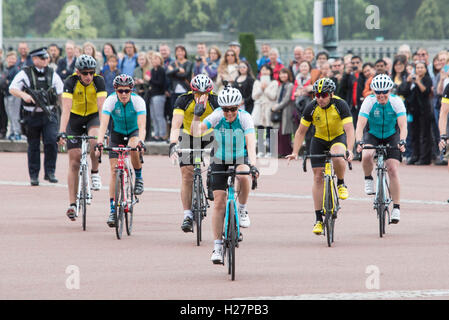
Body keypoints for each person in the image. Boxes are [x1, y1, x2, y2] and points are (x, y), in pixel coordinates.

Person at [190, 86, 258, 264]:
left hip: (240, 157)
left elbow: (251, 143)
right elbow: (195, 132)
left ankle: (242, 209)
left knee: (244, 174)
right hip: (219, 158)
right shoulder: (217, 116)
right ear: (221, 108)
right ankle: (218, 246)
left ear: (238, 107)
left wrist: (253, 165)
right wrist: (197, 115)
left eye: (233, 109)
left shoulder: (245, 118)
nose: (229, 113)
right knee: (219, 203)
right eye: (226, 109)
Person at [286, 78, 354, 235]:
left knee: (337, 156)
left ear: (331, 94)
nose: (320, 98)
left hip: (337, 137)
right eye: (317, 95)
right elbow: (301, 131)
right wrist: (295, 152)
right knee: (317, 177)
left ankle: (341, 183)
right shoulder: (311, 107)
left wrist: (349, 150)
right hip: (319, 139)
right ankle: (318, 219)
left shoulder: (340, 105)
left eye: (324, 95)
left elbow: (349, 129)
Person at [57, 54, 107, 220]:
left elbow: (102, 108)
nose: (88, 77)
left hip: (93, 116)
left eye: (91, 73)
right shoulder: (69, 82)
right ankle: (72, 204)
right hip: (75, 119)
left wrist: (103, 132)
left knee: (94, 141)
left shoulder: (99, 81)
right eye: (85, 73)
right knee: (74, 160)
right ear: (78, 72)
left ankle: (94, 171)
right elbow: (66, 109)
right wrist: (62, 131)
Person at [95, 74, 146, 227]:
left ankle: (138, 176)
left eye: (127, 91)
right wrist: (99, 142)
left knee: (133, 148)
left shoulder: (138, 101)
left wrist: (141, 141)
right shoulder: (110, 101)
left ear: (131, 90)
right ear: (115, 90)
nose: (124, 94)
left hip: (133, 132)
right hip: (116, 133)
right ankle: (112, 210)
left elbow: (142, 126)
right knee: (113, 170)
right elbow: (103, 125)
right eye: (120, 91)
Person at [168, 74, 218, 233]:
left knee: (220, 154)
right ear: (192, 91)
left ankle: (212, 175)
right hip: (188, 135)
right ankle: (187, 215)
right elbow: (176, 125)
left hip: (209, 134)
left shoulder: (215, 100)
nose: (201, 96)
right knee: (186, 174)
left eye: (205, 93)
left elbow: (222, 124)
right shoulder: (183, 100)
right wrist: (173, 144)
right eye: (197, 93)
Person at [355, 74, 407, 224]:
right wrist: (359, 141)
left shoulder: (397, 102)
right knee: (366, 155)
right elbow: (360, 125)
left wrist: (402, 141)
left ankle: (396, 207)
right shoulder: (369, 102)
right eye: (377, 92)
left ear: (390, 90)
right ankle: (368, 178)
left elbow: (403, 125)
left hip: (392, 135)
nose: (381, 95)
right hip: (373, 134)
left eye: (384, 92)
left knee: (392, 169)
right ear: (373, 91)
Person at [9, 47, 64, 186]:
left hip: (49, 115)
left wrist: (64, 112)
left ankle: (50, 172)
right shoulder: (25, 73)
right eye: (43, 58)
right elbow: (12, 88)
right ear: (34, 59)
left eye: (47, 58)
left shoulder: (52, 73)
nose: (46, 60)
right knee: (33, 145)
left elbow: (61, 93)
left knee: (51, 141)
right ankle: (34, 175)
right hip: (31, 115)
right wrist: (24, 95)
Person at [404, 61, 433, 165]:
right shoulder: (411, 80)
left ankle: (425, 158)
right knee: (414, 134)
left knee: (425, 134)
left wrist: (418, 82)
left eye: (422, 67)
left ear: (425, 69)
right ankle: (415, 155)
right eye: (417, 67)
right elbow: (404, 91)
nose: (419, 69)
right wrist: (408, 82)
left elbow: (426, 91)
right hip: (413, 110)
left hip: (424, 110)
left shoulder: (427, 79)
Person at [251, 64, 278, 158]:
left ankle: (272, 151)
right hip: (259, 108)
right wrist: (260, 89)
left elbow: (273, 96)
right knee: (260, 130)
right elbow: (254, 96)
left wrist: (265, 89)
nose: (265, 71)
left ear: (270, 71)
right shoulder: (257, 82)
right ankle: (261, 151)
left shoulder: (274, 82)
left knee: (271, 129)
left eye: (267, 70)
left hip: (269, 108)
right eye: (263, 69)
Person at [272, 68, 296, 157]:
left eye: (285, 74)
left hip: (286, 111)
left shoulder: (290, 85)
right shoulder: (280, 85)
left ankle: (287, 152)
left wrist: (277, 107)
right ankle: (280, 152)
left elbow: (286, 99)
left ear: (288, 75)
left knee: (285, 132)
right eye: (281, 74)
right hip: (279, 112)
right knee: (279, 132)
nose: (283, 76)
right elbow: (277, 98)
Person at [1, 51, 21, 140]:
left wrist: (7, 82)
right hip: (6, 94)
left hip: (14, 95)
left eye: (13, 58)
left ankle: (17, 132)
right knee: (10, 114)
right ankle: (12, 131)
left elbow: (13, 82)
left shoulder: (16, 70)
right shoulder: (6, 69)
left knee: (15, 114)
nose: (11, 60)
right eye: (10, 58)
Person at [148, 52, 167, 142]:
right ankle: (156, 134)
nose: (154, 60)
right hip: (153, 95)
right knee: (153, 116)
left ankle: (162, 134)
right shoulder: (152, 70)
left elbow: (160, 83)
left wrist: (150, 80)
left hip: (159, 95)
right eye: (153, 59)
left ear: (160, 60)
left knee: (159, 116)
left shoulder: (161, 70)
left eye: (157, 58)